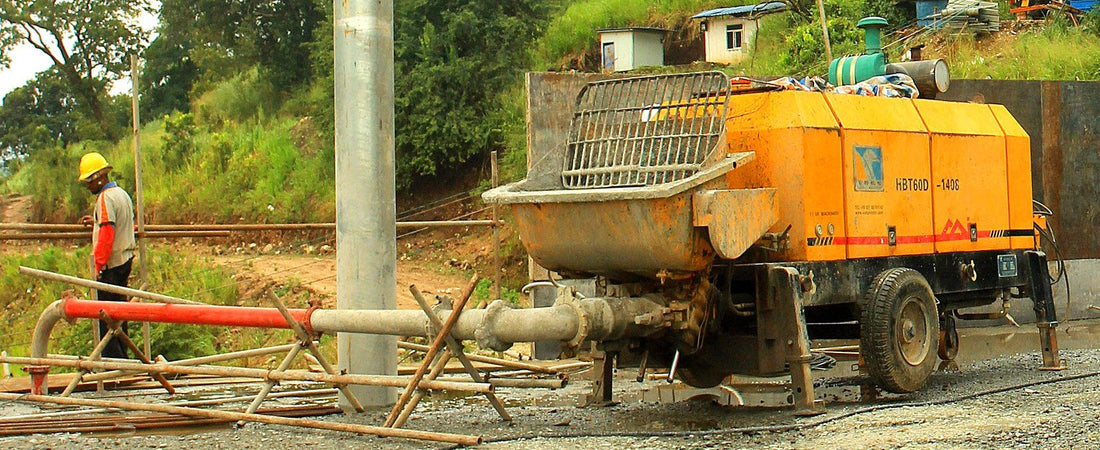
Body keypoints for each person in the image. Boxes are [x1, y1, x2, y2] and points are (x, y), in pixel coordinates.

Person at [78, 152, 136, 359]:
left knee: (106, 315)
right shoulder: (121, 194)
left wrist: (99, 265)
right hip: (125, 259)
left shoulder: (105, 199)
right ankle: (124, 358)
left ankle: (114, 361)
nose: (88, 186)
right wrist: (94, 221)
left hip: (111, 265)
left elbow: (107, 233)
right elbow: (118, 223)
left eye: (88, 182)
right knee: (120, 312)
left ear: (99, 178)